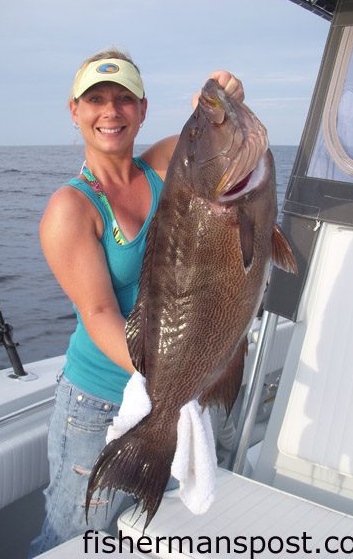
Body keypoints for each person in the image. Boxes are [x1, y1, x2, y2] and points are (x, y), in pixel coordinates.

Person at [28, 48, 244, 557]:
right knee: (73, 541)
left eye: (124, 99)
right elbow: (100, 315)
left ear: (143, 110)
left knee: (148, 531)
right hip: (99, 403)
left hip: (173, 386)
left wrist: (220, 98)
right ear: (74, 111)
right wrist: (167, 378)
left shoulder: (167, 162)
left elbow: (220, 143)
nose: (111, 112)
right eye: (96, 100)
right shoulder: (70, 208)